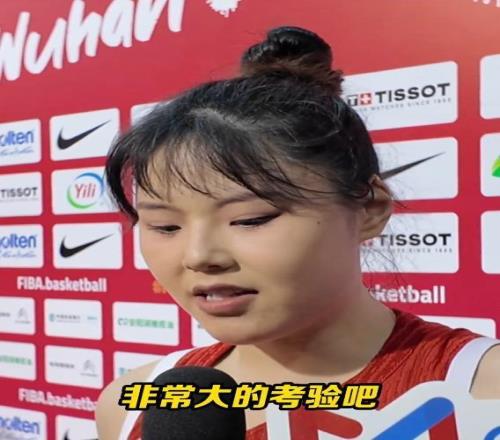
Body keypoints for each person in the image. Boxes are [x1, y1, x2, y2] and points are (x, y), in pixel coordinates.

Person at [95, 26, 500, 440]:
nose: (199, 256)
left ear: (370, 209)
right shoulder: (130, 405)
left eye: (250, 219)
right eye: (165, 226)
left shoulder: (481, 394)